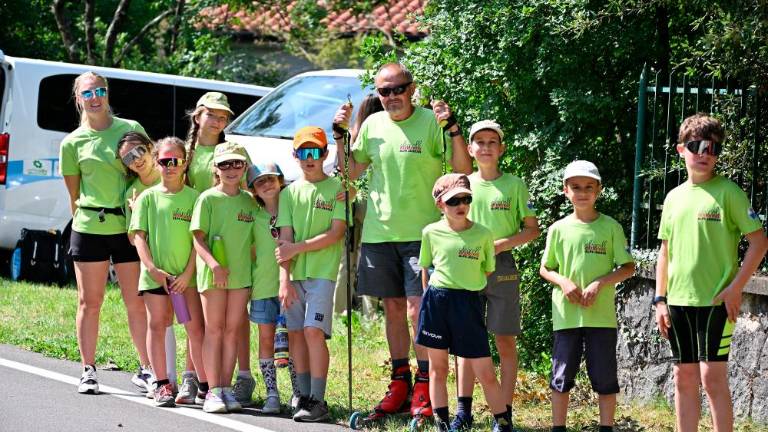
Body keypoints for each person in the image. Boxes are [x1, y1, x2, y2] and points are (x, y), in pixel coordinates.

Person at [333, 62, 472, 419]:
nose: (392, 96)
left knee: (416, 309)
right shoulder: (373, 125)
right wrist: (340, 136)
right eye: (384, 91)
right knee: (392, 309)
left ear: (411, 89)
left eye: (398, 89)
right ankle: (400, 382)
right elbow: (349, 173)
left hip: (422, 235)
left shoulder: (430, 122)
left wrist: (453, 128)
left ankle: (425, 384)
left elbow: (463, 170)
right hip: (379, 233)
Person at [654, 114, 768, 432]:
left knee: (711, 377)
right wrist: (660, 300)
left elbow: (759, 243)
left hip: (717, 302)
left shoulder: (730, 193)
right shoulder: (673, 197)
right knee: (683, 376)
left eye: (712, 148)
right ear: (681, 149)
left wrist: (736, 287)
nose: (704, 154)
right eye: (697, 146)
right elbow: (665, 251)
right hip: (678, 302)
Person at [60, 71, 152, 394]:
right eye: (87, 93)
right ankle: (88, 370)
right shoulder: (72, 143)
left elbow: (149, 172)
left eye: (100, 90)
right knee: (90, 302)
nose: (95, 98)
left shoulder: (130, 129)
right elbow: (74, 195)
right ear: (78, 99)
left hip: (127, 228)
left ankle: (146, 369)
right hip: (89, 228)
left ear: (107, 93)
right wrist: (86, 221)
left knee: (136, 302)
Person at [452, 120, 540, 430]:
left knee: (505, 340)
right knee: (466, 341)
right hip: (467, 266)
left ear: (502, 149)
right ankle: (462, 412)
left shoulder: (515, 185)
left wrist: (501, 244)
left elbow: (532, 229)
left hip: (502, 267)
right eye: (480, 142)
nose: (486, 147)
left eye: (492, 142)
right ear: (470, 149)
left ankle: (503, 415)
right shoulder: (462, 184)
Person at [539, 160, 636, 432]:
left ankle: (606, 428)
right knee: (561, 376)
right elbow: (545, 268)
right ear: (565, 190)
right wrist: (563, 282)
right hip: (566, 317)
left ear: (599, 190)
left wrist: (599, 284)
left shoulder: (611, 227)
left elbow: (628, 267)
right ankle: (558, 428)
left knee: (605, 378)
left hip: (601, 318)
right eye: (576, 187)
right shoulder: (558, 229)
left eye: (589, 187)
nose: (582, 192)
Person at [417, 173, 511, 432]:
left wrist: (466, 285)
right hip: (436, 302)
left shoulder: (483, 234)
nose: (461, 205)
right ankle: (442, 425)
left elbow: (487, 269)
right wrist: (429, 299)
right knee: (438, 368)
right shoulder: (430, 232)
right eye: (453, 201)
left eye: (466, 199)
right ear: (440, 204)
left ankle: (504, 424)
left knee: (486, 372)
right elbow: (426, 267)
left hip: (468, 304)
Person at [275, 126, 347, 422]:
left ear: (325, 154)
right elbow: (284, 241)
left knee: (312, 332)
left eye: (315, 151)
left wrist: (298, 248)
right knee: (296, 334)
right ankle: (302, 396)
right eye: (303, 152)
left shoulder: (337, 188)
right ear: (295, 155)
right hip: (295, 277)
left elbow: (336, 232)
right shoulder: (289, 193)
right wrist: (284, 280)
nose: (309, 158)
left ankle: (318, 399)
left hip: (322, 274)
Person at [129, 137, 207, 407]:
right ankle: (161, 384)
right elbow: (138, 237)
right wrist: (152, 269)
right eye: (164, 161)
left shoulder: (196, 198)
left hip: (186, 280)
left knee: (194, 329)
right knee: (158, 324)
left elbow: (198, 241)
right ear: (156, 162)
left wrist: (187, 274)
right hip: (156, 278)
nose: (170, 166)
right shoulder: (148, 198)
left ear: (185, 163)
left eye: (176, 161)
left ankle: (203, 385)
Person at [190, 142, 256, 413]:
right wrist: (215, 265)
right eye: (225, 164)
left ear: (245, 167)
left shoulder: (250, 201)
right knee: (214, 330)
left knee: (232, 331)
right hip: (213, 275)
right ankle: (213, 390)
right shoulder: (207, 199)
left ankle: (226, 388)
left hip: (240, 276)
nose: (231, 169)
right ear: (215, 168)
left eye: (237, 163)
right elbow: (198, 238)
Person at [118, 132, 178, 396]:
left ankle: (191, 379)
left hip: (182, 261)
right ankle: (164, 379)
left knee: (186, 321)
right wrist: (135, 212)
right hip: (154, 265)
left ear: (150, 147)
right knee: (160, 318)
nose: (135, 159)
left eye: (138, 151)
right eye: (127, 159)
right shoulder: (132, 192)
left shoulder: (172, 174)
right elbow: (133, 238)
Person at [246, 161, 302, 413]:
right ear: (253, 190)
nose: (266, 184)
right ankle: (271, 393)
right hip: (262, 287)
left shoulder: (294, 211)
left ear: (280, 180)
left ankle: (298, 391)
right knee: (266, 338)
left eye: (271, 178)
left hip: (290, 287)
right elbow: (250, 251)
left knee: (293, 340)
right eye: (260, 182)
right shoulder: (254, 217)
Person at [332, 93, 383, 318]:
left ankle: (341, 310)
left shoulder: (353, 136)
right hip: (372, 202)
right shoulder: (379, 134)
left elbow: (340, 169)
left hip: (350, 202)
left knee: (347, 258)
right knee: (370, 256)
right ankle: (370, 311)